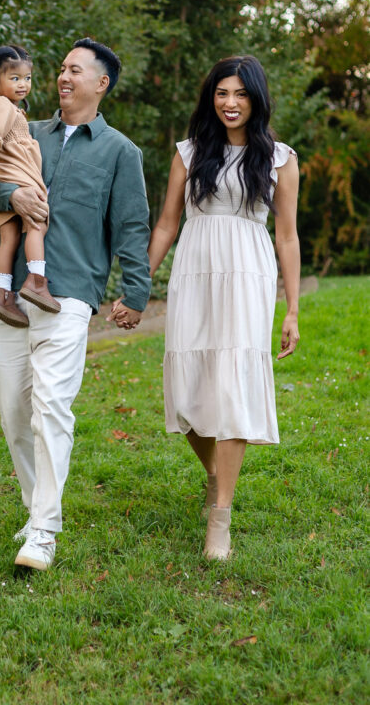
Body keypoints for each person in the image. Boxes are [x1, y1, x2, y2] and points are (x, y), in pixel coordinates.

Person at [0, 38, 151, 570]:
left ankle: (44, 529)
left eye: (75, 70)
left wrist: (135, 292)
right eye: (61, 68)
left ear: (101, 84)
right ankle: (35, 508)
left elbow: (131, 228)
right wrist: (9, 196)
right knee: (14, 412)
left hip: (70, 296)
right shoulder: (21, 128)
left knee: (51, 407)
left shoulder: (121, 152)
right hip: (8, 297)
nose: (63, 77)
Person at [112, 55, 300, 560]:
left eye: (240, 94)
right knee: (188, 391)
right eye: (222, 93)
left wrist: (292, 310)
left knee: (233, 382)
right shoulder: (189, 152)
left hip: (248, 272)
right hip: (194, 270)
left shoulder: (280, 158)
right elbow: (167, 225)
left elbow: (286, 236)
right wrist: (137, 288)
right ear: (210, 98)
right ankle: (215, 475)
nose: (230, 103)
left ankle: (221, 517)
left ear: (256, 99)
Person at [0, 44, 61, 327]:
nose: (23, 84)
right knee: (37, 223)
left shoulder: (12, 109)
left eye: (27, 78)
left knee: (8, 239)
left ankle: (1, 293)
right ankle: (36, 280)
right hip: (17, 178)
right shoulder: (1, 104)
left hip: (7, 178)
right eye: (14, 78)